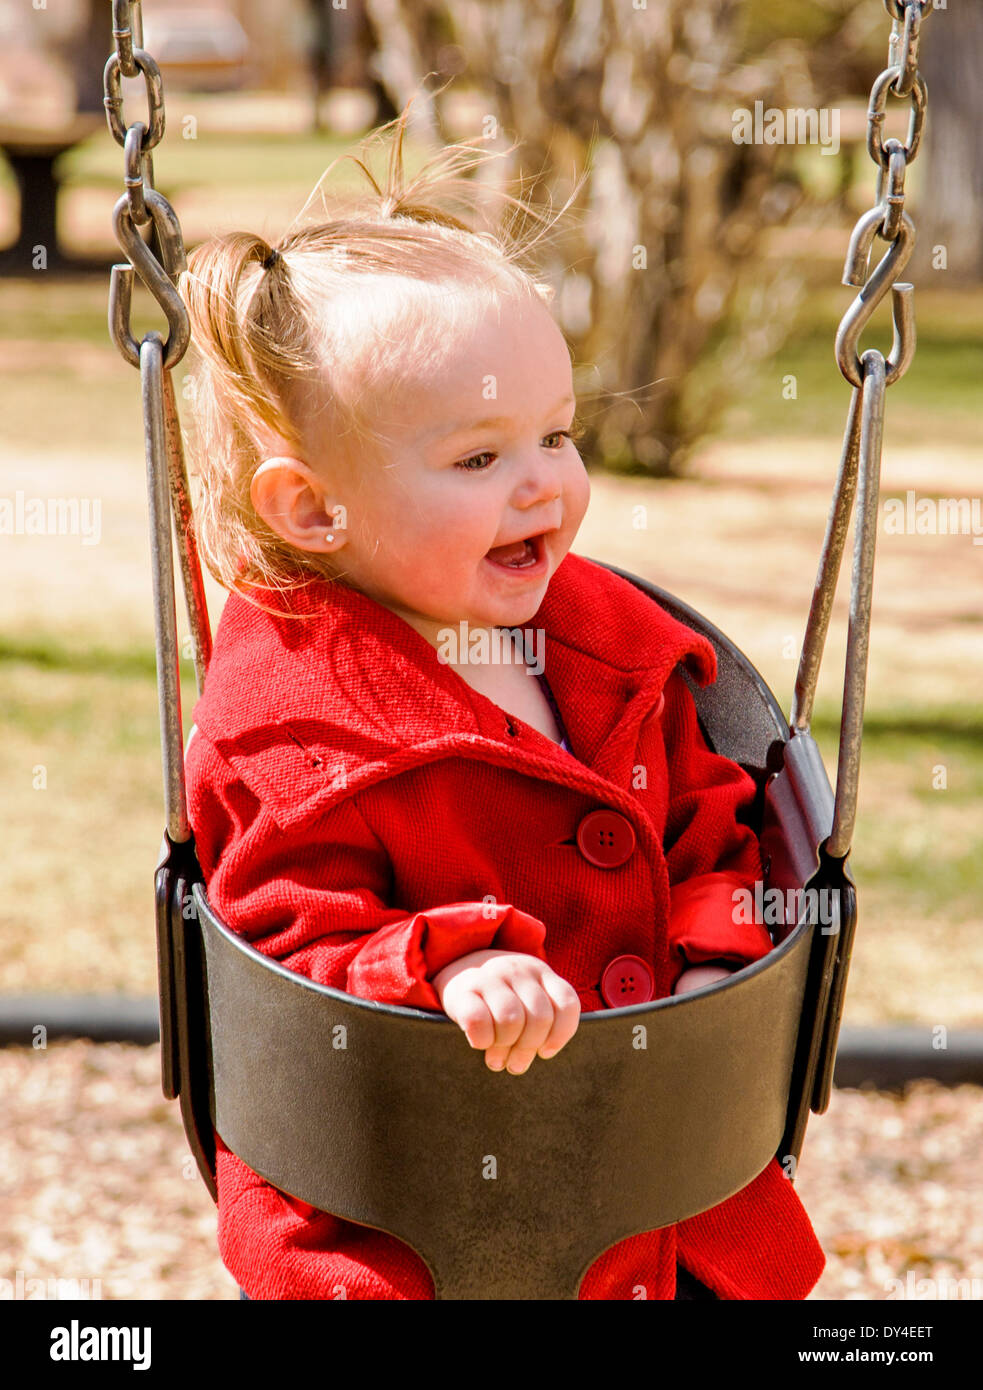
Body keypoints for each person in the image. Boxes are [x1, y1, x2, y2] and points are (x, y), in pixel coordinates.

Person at [180, 102, 826, 1301]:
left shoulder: (618, 656)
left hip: (666, 1207)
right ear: (313, 508)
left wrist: (709, 964)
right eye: (479, 459)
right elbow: (284, 937)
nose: (544, 484)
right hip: (411, 1226)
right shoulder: (290, 723)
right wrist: (440, 970)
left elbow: (720, 832)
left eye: (556, 434)